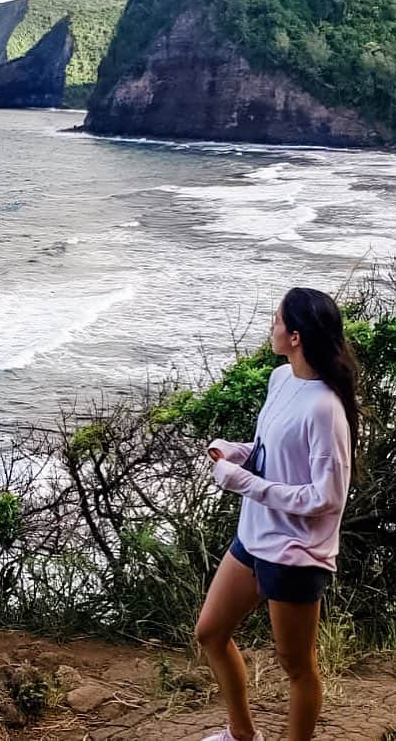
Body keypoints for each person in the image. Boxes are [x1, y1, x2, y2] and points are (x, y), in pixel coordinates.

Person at [196, 287, 359, 741]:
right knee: (210, 632)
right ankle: (242, 734)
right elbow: (270, 452)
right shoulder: (281, 379)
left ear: (295, 336)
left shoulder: (325, 408)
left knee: (297, 667)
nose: (269, 327)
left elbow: (328, 497)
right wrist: (234, 453)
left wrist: (243, 483)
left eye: (275, 320)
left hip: (294, 551)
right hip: (255, 536)